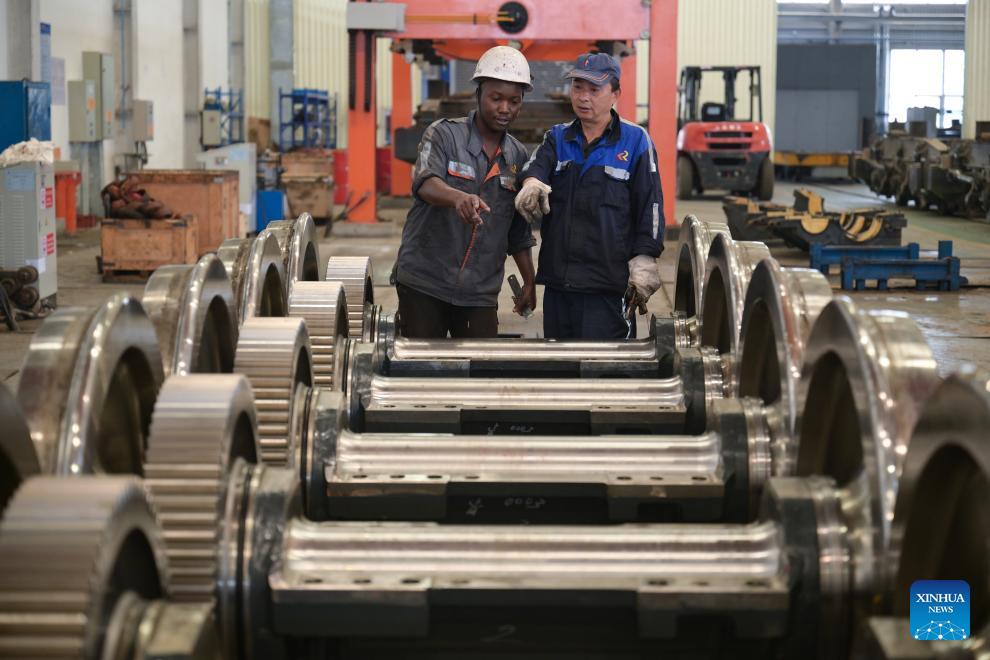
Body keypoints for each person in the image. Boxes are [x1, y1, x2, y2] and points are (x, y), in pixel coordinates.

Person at [514, 52, 663, 339]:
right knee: (561, 362)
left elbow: (651, 205)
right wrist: (532, 183)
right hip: (559, 286)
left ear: (615, 94)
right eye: (577, 87)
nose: (583, 97)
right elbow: (536, 167)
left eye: (594, 89)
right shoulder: (557, 137)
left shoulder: (635, 141)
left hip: (608, 287)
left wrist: (645, 258)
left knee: (607, 365)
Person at [393, 46, 537, 339]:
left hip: (479, 291)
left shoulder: (517, 156)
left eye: (514, 101)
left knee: (479, 365)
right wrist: (457, 197)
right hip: (425, 282)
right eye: (496, 98)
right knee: (421, 365)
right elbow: (425, 182)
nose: (505, 108)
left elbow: (518, 230)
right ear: (479, 93)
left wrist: (529, 280)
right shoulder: (444, 135)